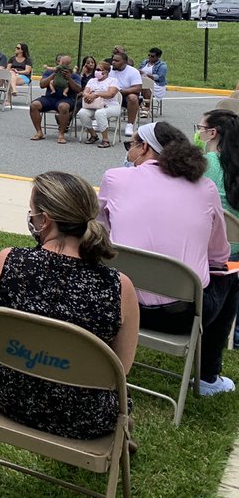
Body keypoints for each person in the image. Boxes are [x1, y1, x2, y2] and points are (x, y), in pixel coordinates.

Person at [0, 171, 138, 439]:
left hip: (7, 397)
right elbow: (119, 371)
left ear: (45, 220)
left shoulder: (6, 262)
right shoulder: (119, 287)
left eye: (32, 211)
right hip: (84, 419)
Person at [99, 122, 239, 396]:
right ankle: (208, 376)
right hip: (182, 314)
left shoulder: (115, 179)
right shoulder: (205, 187)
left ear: (145, 148)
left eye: (132, 143)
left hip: (118, 303)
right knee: (232, 277)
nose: (129, 149)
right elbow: (220, 255)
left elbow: (99, 230)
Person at [29, 54, 82, 144]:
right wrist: (54, 75)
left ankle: (61, 134)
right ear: (57, 63)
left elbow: (78, 89)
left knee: (63, 107)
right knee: (34, 105)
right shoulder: (49, 72)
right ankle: (39, 132)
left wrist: (69, 78)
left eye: (66, 64)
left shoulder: (74, 75)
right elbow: (42, 85)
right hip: (50, 97)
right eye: (60, 63)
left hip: (67, 99)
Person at [77, 66, 121, 147]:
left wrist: (96, 94)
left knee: (100, 113)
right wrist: (87, 96)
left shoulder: (113, 81)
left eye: (99, 70)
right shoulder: (92, 81)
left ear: (106, 71)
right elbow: (85, 91)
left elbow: (111, 94)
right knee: (82, 113)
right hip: (94, 105)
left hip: (110, 106)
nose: (96, 71)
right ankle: (93, 135)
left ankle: (105, 140)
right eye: (96, 69)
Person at [109, 52, 143, 138]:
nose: (113, 62)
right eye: (113, 60)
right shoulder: (109, 69)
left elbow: (137, 88)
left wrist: (121, 91)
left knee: (133, 98)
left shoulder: (133, 71)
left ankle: (130, 125)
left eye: (116, 61)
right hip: (110, 94)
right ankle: (98, 120)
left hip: (125, 95)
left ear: (124, 62)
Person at [5, 42, 32, 110]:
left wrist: (18, 72)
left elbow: (27, 71)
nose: (16, 49)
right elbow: (7, 69)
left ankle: (8, 100)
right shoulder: (12, 58)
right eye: (16, 47)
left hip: (23, 76)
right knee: (11, 74)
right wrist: (12, 70)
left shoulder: (27, 60)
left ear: (22, 50)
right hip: (13, 75)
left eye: (18, 48)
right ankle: (14, 90)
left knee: (10, 79)